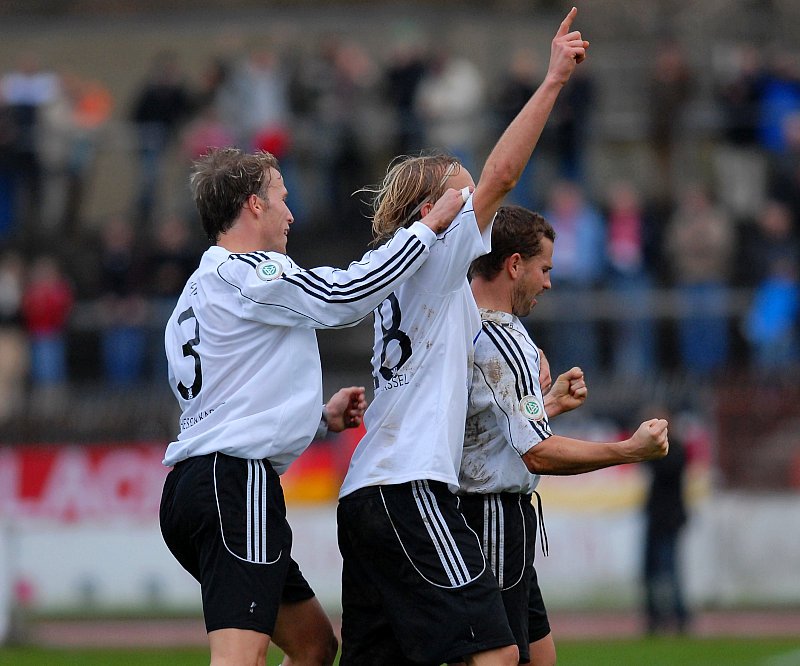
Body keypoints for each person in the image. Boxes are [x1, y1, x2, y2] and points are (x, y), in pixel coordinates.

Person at [337, 9, 590, 665]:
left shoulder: (403, 269)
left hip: (364, 494)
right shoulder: (433, 257)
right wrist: (554, 81)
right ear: (433, 213)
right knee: (499, 655)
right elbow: (506, 172)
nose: (479, 202)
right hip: (409, 488)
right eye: (464, 195)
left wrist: (545, 405)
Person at [158, 146, 466, 666]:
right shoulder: (247, 272)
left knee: (315, 646)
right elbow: (344, 296)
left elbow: (232, 398)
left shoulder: (194, 293)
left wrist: (318, 418)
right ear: (254, 205)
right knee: (239, 657)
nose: (291, 213)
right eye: (282, 198)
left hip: (195, 486)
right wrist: (426, 230)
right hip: (234, 484)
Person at [460, 205, 670, 665]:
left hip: (491, 512)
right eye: (545, 269)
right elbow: (536, 453)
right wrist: (630, 449)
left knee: (540, 658)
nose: (549, 282)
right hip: (489, 515)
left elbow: (489, 423)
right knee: (497, 657)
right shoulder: (502, 339)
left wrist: (548, 404)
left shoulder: (464, 321)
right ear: (515, 264)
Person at [641, 404, 690, 636]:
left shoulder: (676, 449)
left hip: (667, 519)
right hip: (657, 518)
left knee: (668, 571)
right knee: (651, 571)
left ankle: (679, 617)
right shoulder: (672, 449)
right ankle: (656, 618)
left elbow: (666, 470)